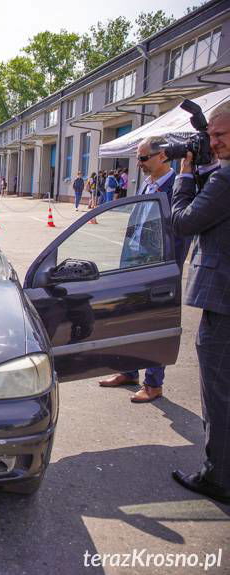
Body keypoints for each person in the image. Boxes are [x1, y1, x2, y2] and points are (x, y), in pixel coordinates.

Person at [169, 101, 230, 505]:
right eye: (211, 135)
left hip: (223, 302)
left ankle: (218, 476)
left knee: (219, 390)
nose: (215, 142)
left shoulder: (225, 179)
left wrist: (185, 176)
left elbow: (184, 221)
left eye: (222, 135)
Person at [99, 136, 186, 402]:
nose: (139, 163)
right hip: (134, 262)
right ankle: (128, 371)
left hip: (156, 266)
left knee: (152, 321)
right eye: (138, 158)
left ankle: (153, 384)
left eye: (144, 158)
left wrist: (167, 267)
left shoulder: (176, 187)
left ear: (163, 157)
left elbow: (180, 232)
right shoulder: (148, 185)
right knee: (129, 318)